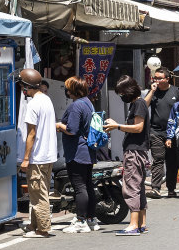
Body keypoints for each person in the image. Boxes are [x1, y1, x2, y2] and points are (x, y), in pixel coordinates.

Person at [16, 69, 58, 238]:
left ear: (27, 86)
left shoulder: (33, 104)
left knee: (38, 193)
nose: (21, 89)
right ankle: (34, 225)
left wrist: (26, 158)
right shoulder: (46, 99)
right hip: (48, 155)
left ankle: (43, 228)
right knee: (39, 191)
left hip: (38, 156)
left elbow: (31, 134)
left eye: (22, 86)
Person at [105, 76, 149, 235]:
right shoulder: (138, 103)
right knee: (138, 187)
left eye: (122, 93)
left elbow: (138, 127)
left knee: (131, 186)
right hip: (138, 150)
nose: (121, 96)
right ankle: (141, 224)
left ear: (129, 90)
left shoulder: (138, 103)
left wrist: (117, 126)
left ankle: (133, 225)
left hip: (134, 151)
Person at [56, 76, 96, 233]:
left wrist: (59, 125)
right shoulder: (88, 103)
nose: (66, 91)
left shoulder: (76, 106)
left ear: (73, 90)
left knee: (79, 187)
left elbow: (71, 130)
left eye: (68, 88)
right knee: (87, 185)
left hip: (77, 151)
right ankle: (91, 219)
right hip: (88, 150)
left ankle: (81, 221)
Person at [144, 67, 179, 197]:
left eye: (160, 78)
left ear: (167, 79)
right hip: (156, 132)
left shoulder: (176, 92)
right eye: (155, 78)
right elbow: (144, 105)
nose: (157, 80)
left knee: (172, 161)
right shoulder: (153, 92)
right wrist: (152, 91)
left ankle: (171, 189)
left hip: (172, 132)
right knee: (158, 159)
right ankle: (155, 188)